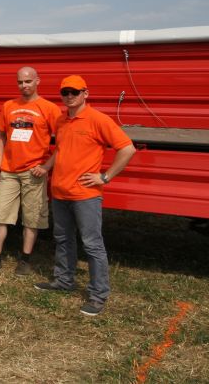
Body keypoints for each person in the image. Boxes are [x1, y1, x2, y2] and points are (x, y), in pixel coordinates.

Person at [34, 75, 136, 316]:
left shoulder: (98, 120)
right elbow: (61, 149)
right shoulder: (61, 120)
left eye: (74, 92)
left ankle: (98, 295)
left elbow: (127, 148)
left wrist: (105, 177)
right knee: (62, 239)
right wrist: (48, 168)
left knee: (92, 245)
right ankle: (64, 281)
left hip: (85, 195)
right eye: (65, 92)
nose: (69, 96)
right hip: (60, 192)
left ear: (85, 93)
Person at [0, 67, 61, 275]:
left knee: (31, 218)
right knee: (0, 215)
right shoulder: (9, 106)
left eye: (28, 81)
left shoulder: (49, 109)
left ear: (37, 81)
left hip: (34, 172)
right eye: (20, 82)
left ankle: (25, 260)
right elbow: (1, 135)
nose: (24, 85)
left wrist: (46, 166)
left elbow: (63, 142)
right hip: (9, 170)